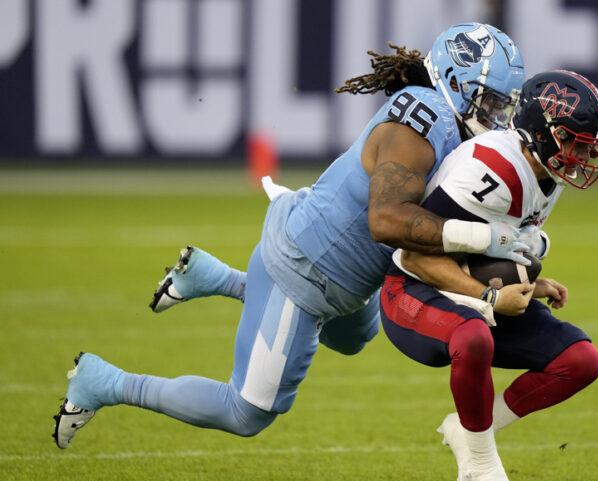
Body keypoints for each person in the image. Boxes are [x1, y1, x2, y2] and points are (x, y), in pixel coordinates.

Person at [52, 23, 532, 451]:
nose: (496, 117)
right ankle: (106, 382)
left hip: (340, 269)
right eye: (490, 102)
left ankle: (209, 276)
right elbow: (386, 221)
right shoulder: (423, 124)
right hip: (307, 267)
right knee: (247, 412)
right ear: (454, 85)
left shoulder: (449, 126)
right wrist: (491, 241)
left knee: (355, 336)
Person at [377, 70, 598, 481]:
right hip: (409, 291)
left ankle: (467, 428)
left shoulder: (545, 170)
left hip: (463, 288)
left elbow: (495, 248)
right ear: (541, 134)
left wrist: (528, 282)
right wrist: (488, 299)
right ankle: (483, 471)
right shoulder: (491, 168)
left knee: (580, 361)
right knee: (473, 335)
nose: (582, 155)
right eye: (574, 142)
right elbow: (414, 256)